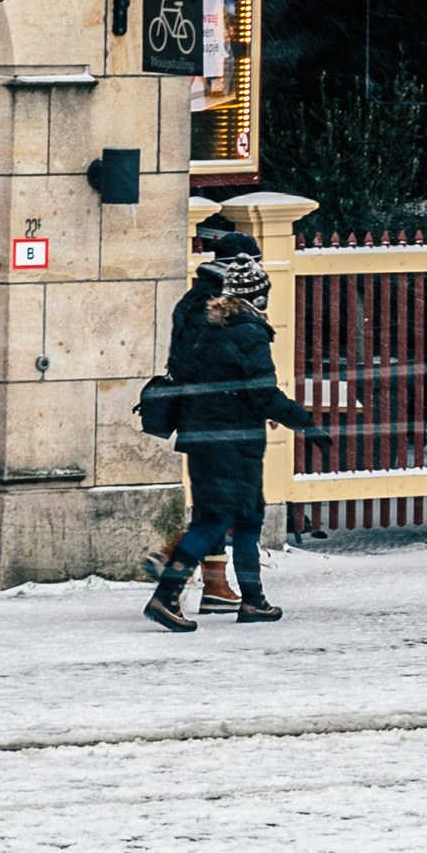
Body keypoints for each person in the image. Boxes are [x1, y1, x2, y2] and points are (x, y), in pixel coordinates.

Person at [145, 244, 316, 631]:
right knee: (215, 518)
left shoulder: (203, 317)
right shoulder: (243, 330)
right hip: (230, 436)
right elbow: (258, 390)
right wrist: (299, 420)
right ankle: (166, 595)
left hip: (208, 430)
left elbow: (197, 374)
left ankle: (251, 600)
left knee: (248, 514)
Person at [169, 214, 256, 611]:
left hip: (197, 414)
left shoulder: (191, 299)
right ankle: (185, 575)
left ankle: (212, 585)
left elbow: (183, 360)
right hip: (223, 420)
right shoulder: (222, 304)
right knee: (224, 506)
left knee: (213, 503)